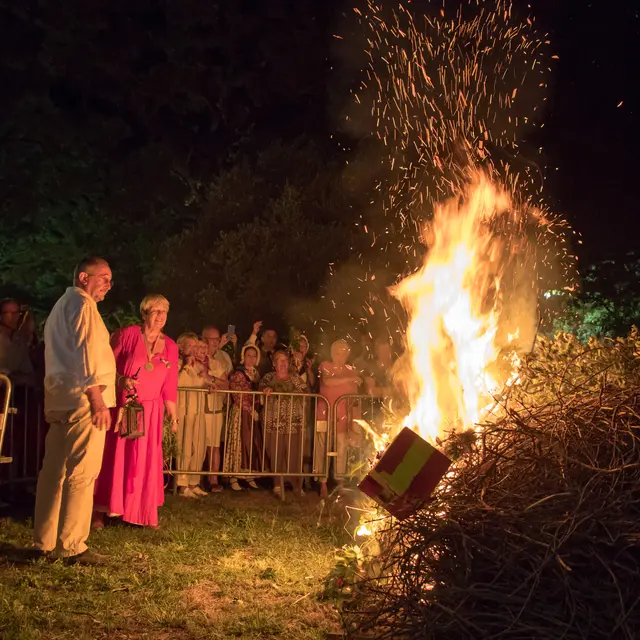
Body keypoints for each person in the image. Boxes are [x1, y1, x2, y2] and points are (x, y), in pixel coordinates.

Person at [32, 257, 116, 564]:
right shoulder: (82, 306)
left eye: (110, 279)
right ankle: (72, 546)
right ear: (84, 277)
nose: (108, 284)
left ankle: (44, 541)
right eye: (103, 277)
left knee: (53, 473)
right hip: (83, 402)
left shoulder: (59, 307)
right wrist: (96, 399)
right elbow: (84, 352)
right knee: (81, 473)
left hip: (60, 399)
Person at [93, 294, 178, 529]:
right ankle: (100, 510)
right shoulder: (127, 335)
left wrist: (173, 414)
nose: (161, 316)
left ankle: (142, 512)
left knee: (145, 461)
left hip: (151, 411)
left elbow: (170, 383)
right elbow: (105, 366)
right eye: (155, 311)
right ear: (144, 313)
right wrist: (121, 380)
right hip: (125, 407)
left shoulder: (170, 346)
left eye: (164, 311)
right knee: (116, 457)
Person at [316, 340, 363, 496]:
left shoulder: (351, 370)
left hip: (342, 416)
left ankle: (340, 482)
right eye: (337, 352)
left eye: (344, 352)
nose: (341, 355)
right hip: (324, 413)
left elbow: (355, 394)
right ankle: (322, 483)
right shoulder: (325, 365)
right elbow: (328, 381)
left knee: (341, 448)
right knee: (322, 447)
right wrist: (349, 380)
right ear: (331, 353)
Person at [259, 350, 307, 496]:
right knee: (275, 451)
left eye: (285, 360)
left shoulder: (295, 378)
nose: (283, 363)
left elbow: (305, 392)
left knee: (294, 451)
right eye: (279, 360)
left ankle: (296, 484)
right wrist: (266, 390)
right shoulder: (269, 377)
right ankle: (277, 483)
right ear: (274, 363)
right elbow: (261, 388)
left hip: (293, 421)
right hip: (274, 421)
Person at [223, 345, 263, 490]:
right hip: (241, 412)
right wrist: (250, 409)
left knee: (249, 443)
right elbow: (237, 394)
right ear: (243, 356)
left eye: (254, 356)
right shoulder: (238, 373)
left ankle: (248, 474)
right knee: (238, 442)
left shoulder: (255, 374)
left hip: (252, 413)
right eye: (248, 355)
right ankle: (234, 476)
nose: (251, 358)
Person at [175, 333, 208, 498]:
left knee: (199, 447)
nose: (194, 349)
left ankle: (193, 482)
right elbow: (178, 383)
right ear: (181, 347)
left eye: (196, 346)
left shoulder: (197, 366)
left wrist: (208, 383)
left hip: (198, 410)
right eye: (191, 346)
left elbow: (200, 383)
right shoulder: (177, 364)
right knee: (185, 448)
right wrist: (185, 367)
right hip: (185, 411)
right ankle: (182, 484)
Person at [201, 326, 233, 489]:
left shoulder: (220, 360)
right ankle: (192, 480)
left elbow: (227, 383)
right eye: (208, 339)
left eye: (214, 339)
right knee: (196, 445)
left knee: (214, 445)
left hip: (215, 407)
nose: (211, 343)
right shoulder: (196, 357)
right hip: (198, 407)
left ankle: (213, 480)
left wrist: (211, 379)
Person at [0, 298, 35, 386]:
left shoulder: (19, 342)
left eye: (16, 313)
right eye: (9, 313)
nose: (14, 316)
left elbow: (27, 371)